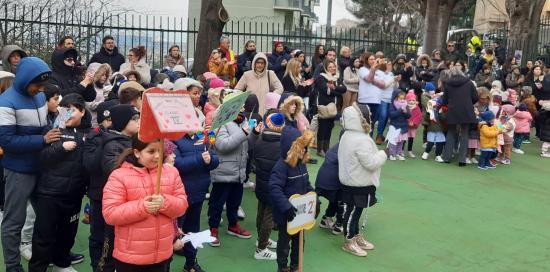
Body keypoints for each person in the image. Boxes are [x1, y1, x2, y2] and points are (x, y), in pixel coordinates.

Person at [0, 57, 56, 272]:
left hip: (41, 167)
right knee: (14, 221)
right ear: (24, 80)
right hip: (19, 171)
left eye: (42, 85)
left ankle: (44, 258)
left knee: (46, 217)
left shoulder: (40, 96)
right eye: (37, 84)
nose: (40, 89)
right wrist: (42, 140)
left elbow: (44, 127)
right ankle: (13, 267)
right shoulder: (6, 101)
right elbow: (7, 141)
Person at [102, 135, 188, 272]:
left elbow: (182, 206)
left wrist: (165, 202)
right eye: (151, 151)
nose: (157, 156)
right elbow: (110, 214)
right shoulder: (119, 176)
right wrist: (142, 207)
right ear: (137, 152)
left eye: (160, 151)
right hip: (131, 256)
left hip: (163, 253)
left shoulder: (171, 172)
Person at [29, 94, 88, 272]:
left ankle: (62, 262)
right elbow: (42, 158)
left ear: (83, 112)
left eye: (73, 109)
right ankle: (39, 267)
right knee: (43, 235)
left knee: (67, 232)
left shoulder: (89, 134)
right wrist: (61, 148)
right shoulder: (52, 129)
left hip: (74, 194)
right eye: (64, 108)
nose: (68, 113)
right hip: (50, 193)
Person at [208, 98, 259, 247]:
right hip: (223, 172)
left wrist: (254, 134)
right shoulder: (219, 123)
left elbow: (247, 145)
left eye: (243, 106)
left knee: (235, 202)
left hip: (239, 171)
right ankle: (213, 229)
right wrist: (244, 132)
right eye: (239, 106)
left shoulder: (243, 121)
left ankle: (233, 225)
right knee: (217, 203)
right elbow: (223, 145)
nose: (242, 108)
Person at [338, 102, 386, 257]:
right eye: (369, 116)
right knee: (353, 211)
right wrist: (384, 154)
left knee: (354, 211)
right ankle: (349, 240)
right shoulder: (361, 139)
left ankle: (355, 235)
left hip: (351, 180)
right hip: (358, 182)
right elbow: (371, 163)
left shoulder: (347, 134)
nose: (370, 118)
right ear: (362, 119)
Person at [173, 129, 219, 272]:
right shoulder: (174, 138)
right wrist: (200, 159)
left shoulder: (203, 137)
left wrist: (211, 160)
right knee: (174, 232)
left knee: (193, 230)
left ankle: (191, 263)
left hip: (198, 193)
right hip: (179, 196)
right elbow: (177, 164)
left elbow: (215, 158)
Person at [270, 129, 315, 272]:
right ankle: (282, 267)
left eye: (305, 148)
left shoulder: (301, 163)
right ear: (291, 149)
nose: (304, 151)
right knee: (284, 244)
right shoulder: (282, 166)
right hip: (286, 215)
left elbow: (307, 184)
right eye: (301, 148)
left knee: (300, 242)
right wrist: (287, 207)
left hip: (300, 214)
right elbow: (275, 188)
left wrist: (314, 198)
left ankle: (296, 266)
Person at [252, 112, 285, 261]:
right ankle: (261, 248)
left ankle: (260, 240)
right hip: (275, 186)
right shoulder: (282, 146)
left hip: (261, 182)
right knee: (269, 217)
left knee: (261, 211)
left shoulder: (259, 140)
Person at [441, 67, 479, 166]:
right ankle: (462, 160)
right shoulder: (469, 82)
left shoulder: (448, 84)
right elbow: (476, 97)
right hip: (466, 110)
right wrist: (469, 103)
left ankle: (447, 157)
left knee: (451, 132)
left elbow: (444, 101)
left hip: (453, 110)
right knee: (465, 134)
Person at [315, 59, 347, 157]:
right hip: (324, 105)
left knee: (330, 127)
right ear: (325, 68)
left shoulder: (337, 77)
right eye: (330, 67)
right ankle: (320, 149)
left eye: (334, 66)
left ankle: (326, 148)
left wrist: (334, 88)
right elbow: (325, 90)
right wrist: (336, 90)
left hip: (333, 106)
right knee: (323, 127)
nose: (332, 68)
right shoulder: (321, 77)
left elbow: (344, 89)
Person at [315, 141, 343, 235]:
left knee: (335, 198)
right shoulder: (348, 147)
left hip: (321, 179)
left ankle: (326, 218)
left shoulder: (336, 146)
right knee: (343, 198)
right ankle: (340, 224)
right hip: (333, 181)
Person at [85, 63, 112, 128]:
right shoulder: (89, 88)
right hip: (91, 123)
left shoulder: (106, 88)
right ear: (96, 74)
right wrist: (106, 102)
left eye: (106, 75)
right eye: (102, 75)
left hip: (103, 124)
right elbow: (90, 105)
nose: (104, 77)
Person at [387, 91, 411, 160]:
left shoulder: (406, 105)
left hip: (403, 126)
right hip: (394, 126)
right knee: (393, 141)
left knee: (401, 141)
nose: (402, 100)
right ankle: (392, 154)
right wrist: (400, 110)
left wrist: (406, 112)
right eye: (400, 98)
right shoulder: (392, 105)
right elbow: (392, 115)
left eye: (403, 99)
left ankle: (398, 153)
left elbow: (409, 116)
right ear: (396, 98)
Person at [421, 97, 446, 162]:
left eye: (433, 105)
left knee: (440, 143)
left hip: (440, 129)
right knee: (430, 142)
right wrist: (428, 113)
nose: (432, 107)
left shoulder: (441, 111)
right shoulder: (429, 111)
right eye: (430, 105)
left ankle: (438, 155)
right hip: (431, 129)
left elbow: (443, 119)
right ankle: (426, 153)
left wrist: (441, 113)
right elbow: (426, 120)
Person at [405, 90, 422, 158]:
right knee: (403, 138)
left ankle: (410, 151)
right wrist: (408, 122)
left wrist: (414, 123)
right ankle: (401, 150)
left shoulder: (417, 108)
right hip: (405, 126)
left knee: (411, 138)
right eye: (409, 100)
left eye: (413, 100)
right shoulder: (405, 107)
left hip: (413, 127)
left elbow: (419, 116)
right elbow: (404, 115)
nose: (411, 101)